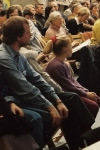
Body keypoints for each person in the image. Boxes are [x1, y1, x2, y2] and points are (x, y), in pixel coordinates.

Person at [0, 16, 69, 148]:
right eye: (27, 32)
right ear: (17, 37)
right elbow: (24, 87)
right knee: (37, 118)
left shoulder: (18, 54)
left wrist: (57, 100)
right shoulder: (4, 57)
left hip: (16, 98)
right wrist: (50, 106)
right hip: (9, 100)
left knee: (52, 114)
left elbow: (36, 78)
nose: (31, 34)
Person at [44, 37, 100, 118]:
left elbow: (72, 82)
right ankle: (82, 127)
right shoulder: (56, 66)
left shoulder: (62, 63)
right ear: (65, 49)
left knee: (97, 99)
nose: (72, 49)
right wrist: (85, 94)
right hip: (64, 95)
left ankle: (84, 124)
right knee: (93, 106)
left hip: (70, 92)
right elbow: (68, 86)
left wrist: (85, 91)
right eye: (71, 47)